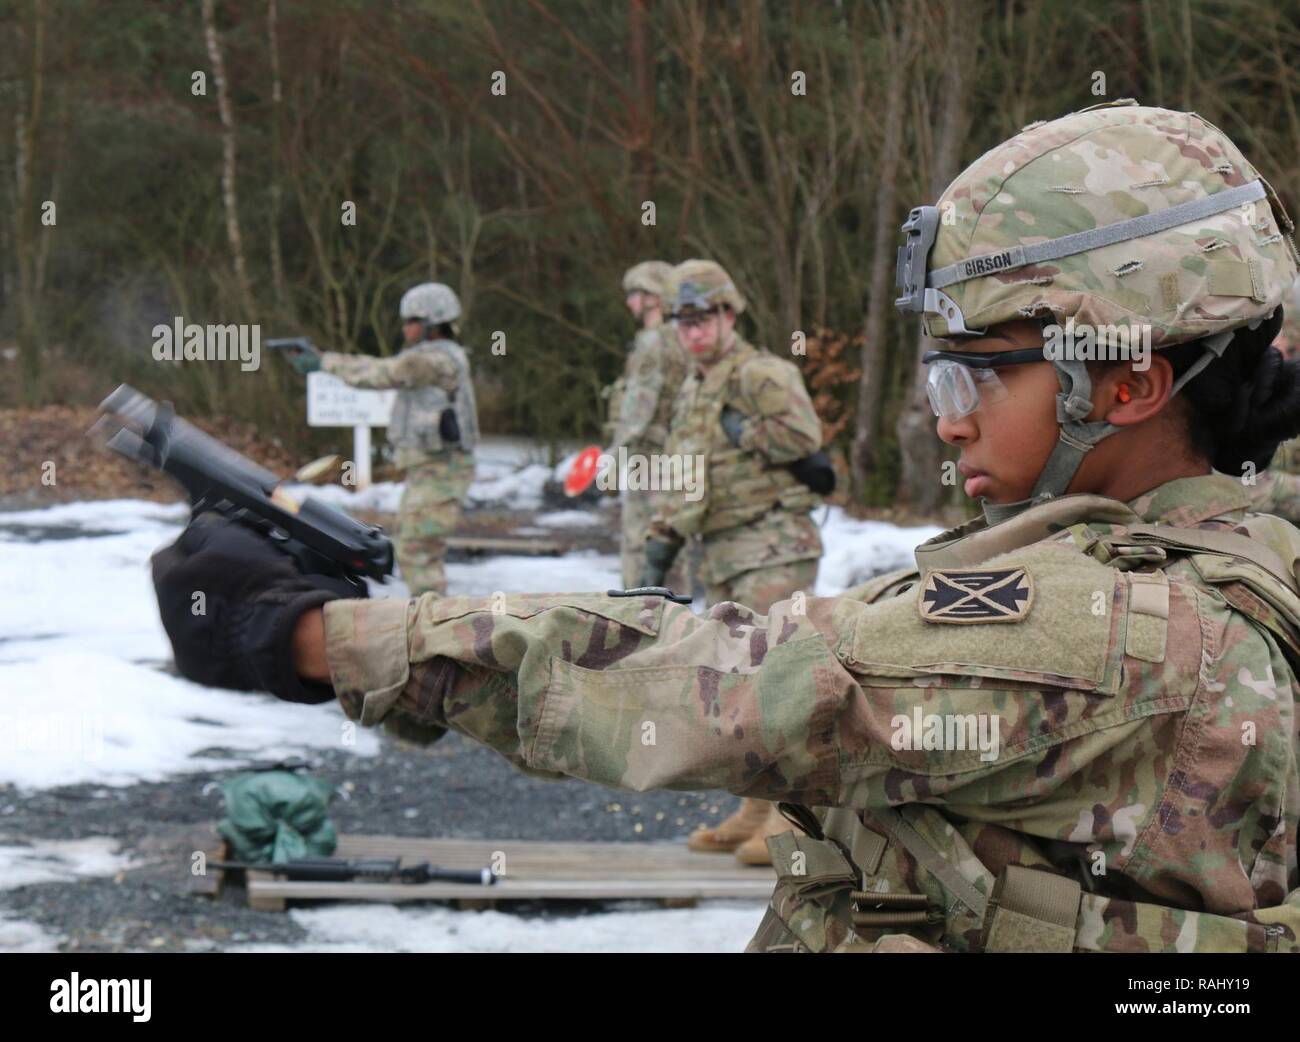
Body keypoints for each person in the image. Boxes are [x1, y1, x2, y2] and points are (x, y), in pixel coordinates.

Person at [152, 101, 1300, 952]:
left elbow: (716, 684)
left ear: (1131, 384)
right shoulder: (1253, 544)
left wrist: (318, 638)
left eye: (974, 381)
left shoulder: (1106, 634)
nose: (945, 425)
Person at [639, 259, 826, 865]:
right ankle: (755, 808)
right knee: (740, 691)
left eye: (703, 317)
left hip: (771, 544)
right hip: (720, 552)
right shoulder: (694, 386)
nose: (692, 331)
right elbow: (688, 468)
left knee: (783, 685)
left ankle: (800, 821)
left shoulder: (760, 372)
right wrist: (661, 538)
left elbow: (804, 440)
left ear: (729, 315)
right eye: (681, 320)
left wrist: (743, 432)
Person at [287, 282, 478, 596]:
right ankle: (428, 623)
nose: (405, 328)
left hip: (442, 471)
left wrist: (324, 362)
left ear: (432, 323)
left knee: (418, 552)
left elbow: (376, 372)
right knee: (413, 548)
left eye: (411, 321)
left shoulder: (432, 361)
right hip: (431, 469)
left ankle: (434, 629)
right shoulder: (430, 357)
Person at [603, 261, 689, 590]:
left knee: (640, 543)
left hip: (650, 455)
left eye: (635, 294)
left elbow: (640, 406)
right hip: (679, 455)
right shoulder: (683, 339)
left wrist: (615, 454)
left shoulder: (653, 342)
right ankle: (674, 623)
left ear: (654, 297)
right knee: (670, 541)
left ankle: (641, 626)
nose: (629, 303)